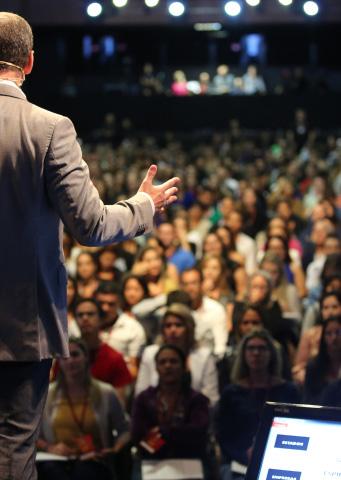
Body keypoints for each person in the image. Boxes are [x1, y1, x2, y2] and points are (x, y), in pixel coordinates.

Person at [0, 12, 180, 479]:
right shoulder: (47, 129)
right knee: (13, 453)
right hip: (21, 330)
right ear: (30, 62)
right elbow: (91, 226)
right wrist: (143, 204)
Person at [37, 337, 130, 480]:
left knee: (85, 472)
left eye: (75, 355)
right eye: (65, 357)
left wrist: (113, 450)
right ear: (59, 362)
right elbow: (34, 435)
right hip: (58, 462)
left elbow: (125, 430)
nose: (70, 361)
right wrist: (50, 448)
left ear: (86, 357)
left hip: (94, 461)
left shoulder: (106, 392)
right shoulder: (47, 394)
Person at [216, 329, 300, 480]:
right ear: (243, 354)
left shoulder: (288, 390)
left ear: (271, 354)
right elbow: (224, 436)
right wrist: (244, 455)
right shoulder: (231, 392)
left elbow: (298, 428)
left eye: (262, 348)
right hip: (239, 462)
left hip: (280, 457)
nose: (256, 353)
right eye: (251, 348)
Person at [131, 344, 210, 462]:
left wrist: (162, 432)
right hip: (151, 462)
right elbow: (138, 437)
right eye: (162, 362)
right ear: (156, 368)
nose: (168, 366)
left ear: (184, 367)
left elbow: (197, 436)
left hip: (189, 461)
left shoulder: (197, 400)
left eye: (173, 361)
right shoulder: (144, 399)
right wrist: (179, 433)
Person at [135, 303, 219, 405]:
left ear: (189, 329)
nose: (173, 330)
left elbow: (211, 399)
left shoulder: (204, 356)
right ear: (162, 330)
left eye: (178, 325)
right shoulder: (150, 353)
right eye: (168, 325)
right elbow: (140, 395)